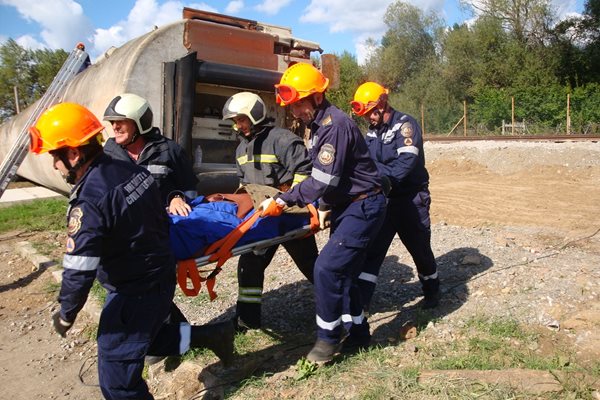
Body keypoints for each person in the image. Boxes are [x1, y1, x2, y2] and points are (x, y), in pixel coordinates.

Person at [29, 102, 234, 400]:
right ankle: (213, 335)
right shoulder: (128, 169)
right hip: (157, 273)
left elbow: (80, 266)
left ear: (73, 153)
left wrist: (66, 312)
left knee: (117, 381)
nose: (54, 166)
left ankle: (210, 335)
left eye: (54, 156)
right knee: (145, 340)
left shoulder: (90, 201)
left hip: (135, 288)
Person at [259, 63, 387, 363]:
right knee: (346, 274)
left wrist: (282, 200)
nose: (295, 112)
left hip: (364, 206)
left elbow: (323, 180)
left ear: (317, 97)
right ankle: (358, 333)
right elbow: (335, 177)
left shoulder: (334, 126)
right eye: (292, 106)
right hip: (349, 205)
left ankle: (328, 338)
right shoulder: (318, 127)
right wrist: (326, 207)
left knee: (326, 269)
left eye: (299, 104)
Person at [222, 91, 318, 331]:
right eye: (235, 121)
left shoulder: (282, 139)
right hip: (263, 220)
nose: (238, 125)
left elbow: (305, 172)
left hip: (290, 217)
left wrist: (288, 201)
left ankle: (344, 303)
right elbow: (245, 185)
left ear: (255, 115)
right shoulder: (241, 150)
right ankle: (248, 320)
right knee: (249, 266)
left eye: (241, 119)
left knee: (312, 267)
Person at [351, 82, 440, 310]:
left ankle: (432, 290)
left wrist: (383, 177)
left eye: (370, 112)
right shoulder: (373, 131)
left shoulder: (405, 125)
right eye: (365, 115)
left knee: (419, 248)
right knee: (373, 251)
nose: (368, 118)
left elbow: (406, 162)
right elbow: (367, 162)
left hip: (410, 199)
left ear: (381, 104)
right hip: (385, 198)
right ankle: (360, 306)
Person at [102, 93, 198, 217]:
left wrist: (177, 198)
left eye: (121, 121)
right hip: (122, 227)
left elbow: (189, 188)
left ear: (140, 122)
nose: (115, 127)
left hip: (162, 225)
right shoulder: (108, 153)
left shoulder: (169, 150)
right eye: (112, 122)